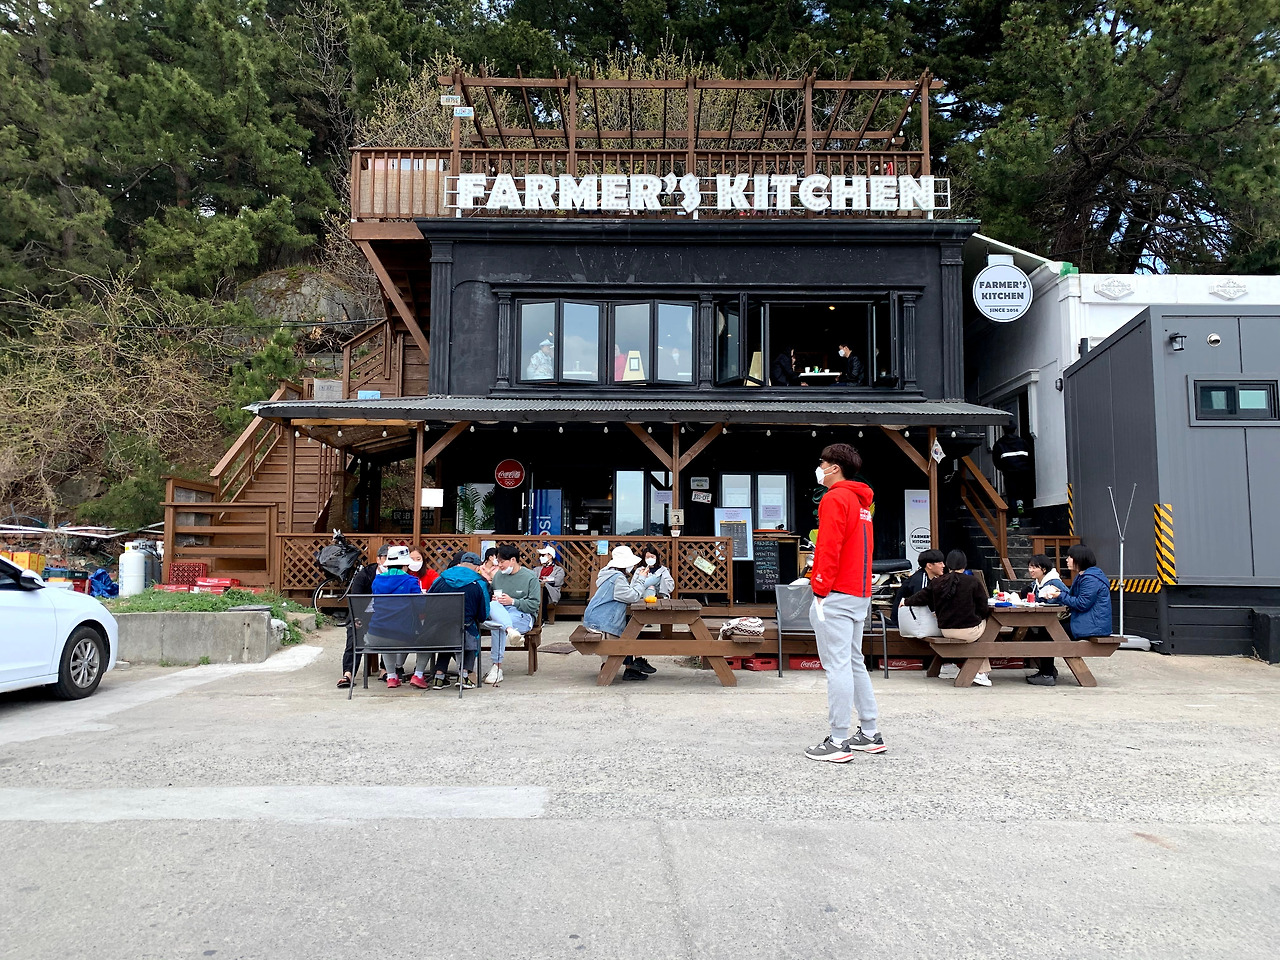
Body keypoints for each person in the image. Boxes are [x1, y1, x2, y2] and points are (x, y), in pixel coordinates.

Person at [804, 442, 885, 761]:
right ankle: (870, 732)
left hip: (835, 592)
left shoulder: (834, 498)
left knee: (837, 665)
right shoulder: (861, 501)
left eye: (822, 463)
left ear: (834, 467)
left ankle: (838, 740)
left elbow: (828, 546)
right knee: (853, 662)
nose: (819, 468)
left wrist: (819, 587)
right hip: (859, 591)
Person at [901, 549, 993, 687]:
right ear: (964, 564)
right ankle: (981, 672)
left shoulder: (937, 582)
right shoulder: (972, 581)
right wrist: (978, 617)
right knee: (990, 628)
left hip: (945, 630)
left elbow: (921, 597)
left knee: (982, 634)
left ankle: (961, 667)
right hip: (968, 631)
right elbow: (983, 607)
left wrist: (905, 601)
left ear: (948, 564)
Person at [424, 551, 492, 690]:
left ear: (460, 564)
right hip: (465, 628)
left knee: (449, 633)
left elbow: (428, 603)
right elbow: (483, 614)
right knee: (469, 634)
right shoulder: (480, 582)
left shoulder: (441, 578)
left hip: (438, 630)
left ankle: (439, 676)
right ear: (477, 567)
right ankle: (464, 676)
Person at [582, 545, 651, 681]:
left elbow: (627, 593)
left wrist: (639, 579)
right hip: (602, 622)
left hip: (595, 619)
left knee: (630, 629)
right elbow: (632, 596)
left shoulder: (609, 574)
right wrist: (642, 579)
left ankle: (633, 666)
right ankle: (618, 668)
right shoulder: (617, 578)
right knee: (628, 634)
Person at [363, 545, 426, 689]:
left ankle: (391, 677)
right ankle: (418, 675)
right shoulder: (410, 581)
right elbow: (421, 607)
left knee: (386, 636)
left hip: (375, 635)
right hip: (402, 636)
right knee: (428, 639)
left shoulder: (377, 580)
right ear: (405, 565)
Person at [484, 544, 540, 686]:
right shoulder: (498, 576)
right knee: (493, 607)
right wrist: (495, 599)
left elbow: (534, 605)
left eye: (502, 562)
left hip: (522, 614)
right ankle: (510, 630)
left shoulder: (530, 577)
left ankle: (497, 667)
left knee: (498, 626)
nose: (499, 565)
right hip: (501, 612)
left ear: (513, 560)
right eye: (498, 561)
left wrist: (513, 601)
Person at [1038, 543, 1113, 642]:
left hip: (1093, 627)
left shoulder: (1091, 579)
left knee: (1047, 631)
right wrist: (1059, 592)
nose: (1067, 560)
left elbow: (1082, 604)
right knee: (1046, 628)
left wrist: (1059, 595)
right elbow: (1075, 598)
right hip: (1086, 622)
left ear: (1079, 559)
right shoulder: (1083, 576)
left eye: (1070, 557)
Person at [339, 544, 388, 688]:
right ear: (378, 559)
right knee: (354, 635)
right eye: (386, 557)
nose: (388, 561)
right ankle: (348, 673)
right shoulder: (365, 574)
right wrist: (357, 618)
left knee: (391, 629)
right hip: (363, 613)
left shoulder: (397, 576)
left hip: (384, 615)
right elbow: (355, 600)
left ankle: (385, 670)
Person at [1025, 554, 1069, 686]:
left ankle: (1047, 674)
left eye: (1034, 567)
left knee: (1045, 634)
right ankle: (1047, 671)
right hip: (1047, 620)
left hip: (1061, 621)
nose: (1031, 570)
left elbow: (1066, 598)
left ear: (1044, 569)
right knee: (1033, 633)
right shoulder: (1037, 583)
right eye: (1030, 567)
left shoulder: (1054, 582)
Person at [889, 548, 945, 626]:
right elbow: (922, 600)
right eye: (940, 563)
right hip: (907, 622)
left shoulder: (931, 578)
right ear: (929, 565)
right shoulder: (920, 579)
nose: (943, 566)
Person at [992, 425, 1033, 525]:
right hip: (1023, 471)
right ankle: (1020, 504)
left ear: (1003, 430)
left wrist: (1002, 468)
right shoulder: (1022, 442)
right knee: (1020, 490)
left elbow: (996, 460)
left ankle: (1015, 520)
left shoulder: (1000, 443)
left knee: (1011, 494)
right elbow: (1030, 456)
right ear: (1015, 430)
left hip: (1009, 472)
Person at [536, 544, 566, 620]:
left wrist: (546, 581)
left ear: (550, 556)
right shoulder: (536, 569)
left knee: (543, 588)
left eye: (543, 555)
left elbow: (558, 581)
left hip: (551, 593)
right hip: (536, 590)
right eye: (540, 555)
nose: (541, 557)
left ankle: (542, 617)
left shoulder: (558, 570)